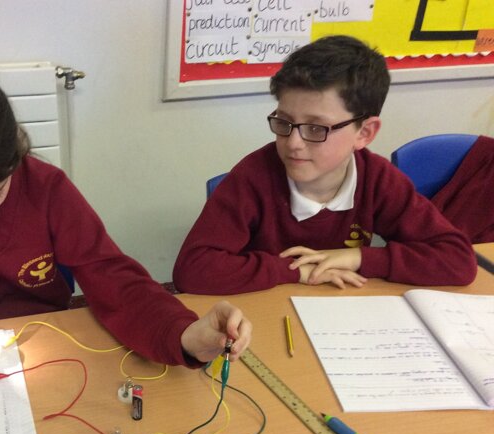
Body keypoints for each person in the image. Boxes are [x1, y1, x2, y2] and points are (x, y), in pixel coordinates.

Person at [0, 65, 251, 369]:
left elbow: (113, 277)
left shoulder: (44, 187)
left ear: (16, 159)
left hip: (40, 349)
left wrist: (182, 334)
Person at [173, 35, 477, 295]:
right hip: (264, 314)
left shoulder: (378, 179)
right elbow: (192, 269)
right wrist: (294, 270)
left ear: (365, 133)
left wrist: (358, 258)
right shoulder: (253, 177)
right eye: (284, 122)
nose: (293, 142)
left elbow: (458, 260)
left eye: (316, 128)